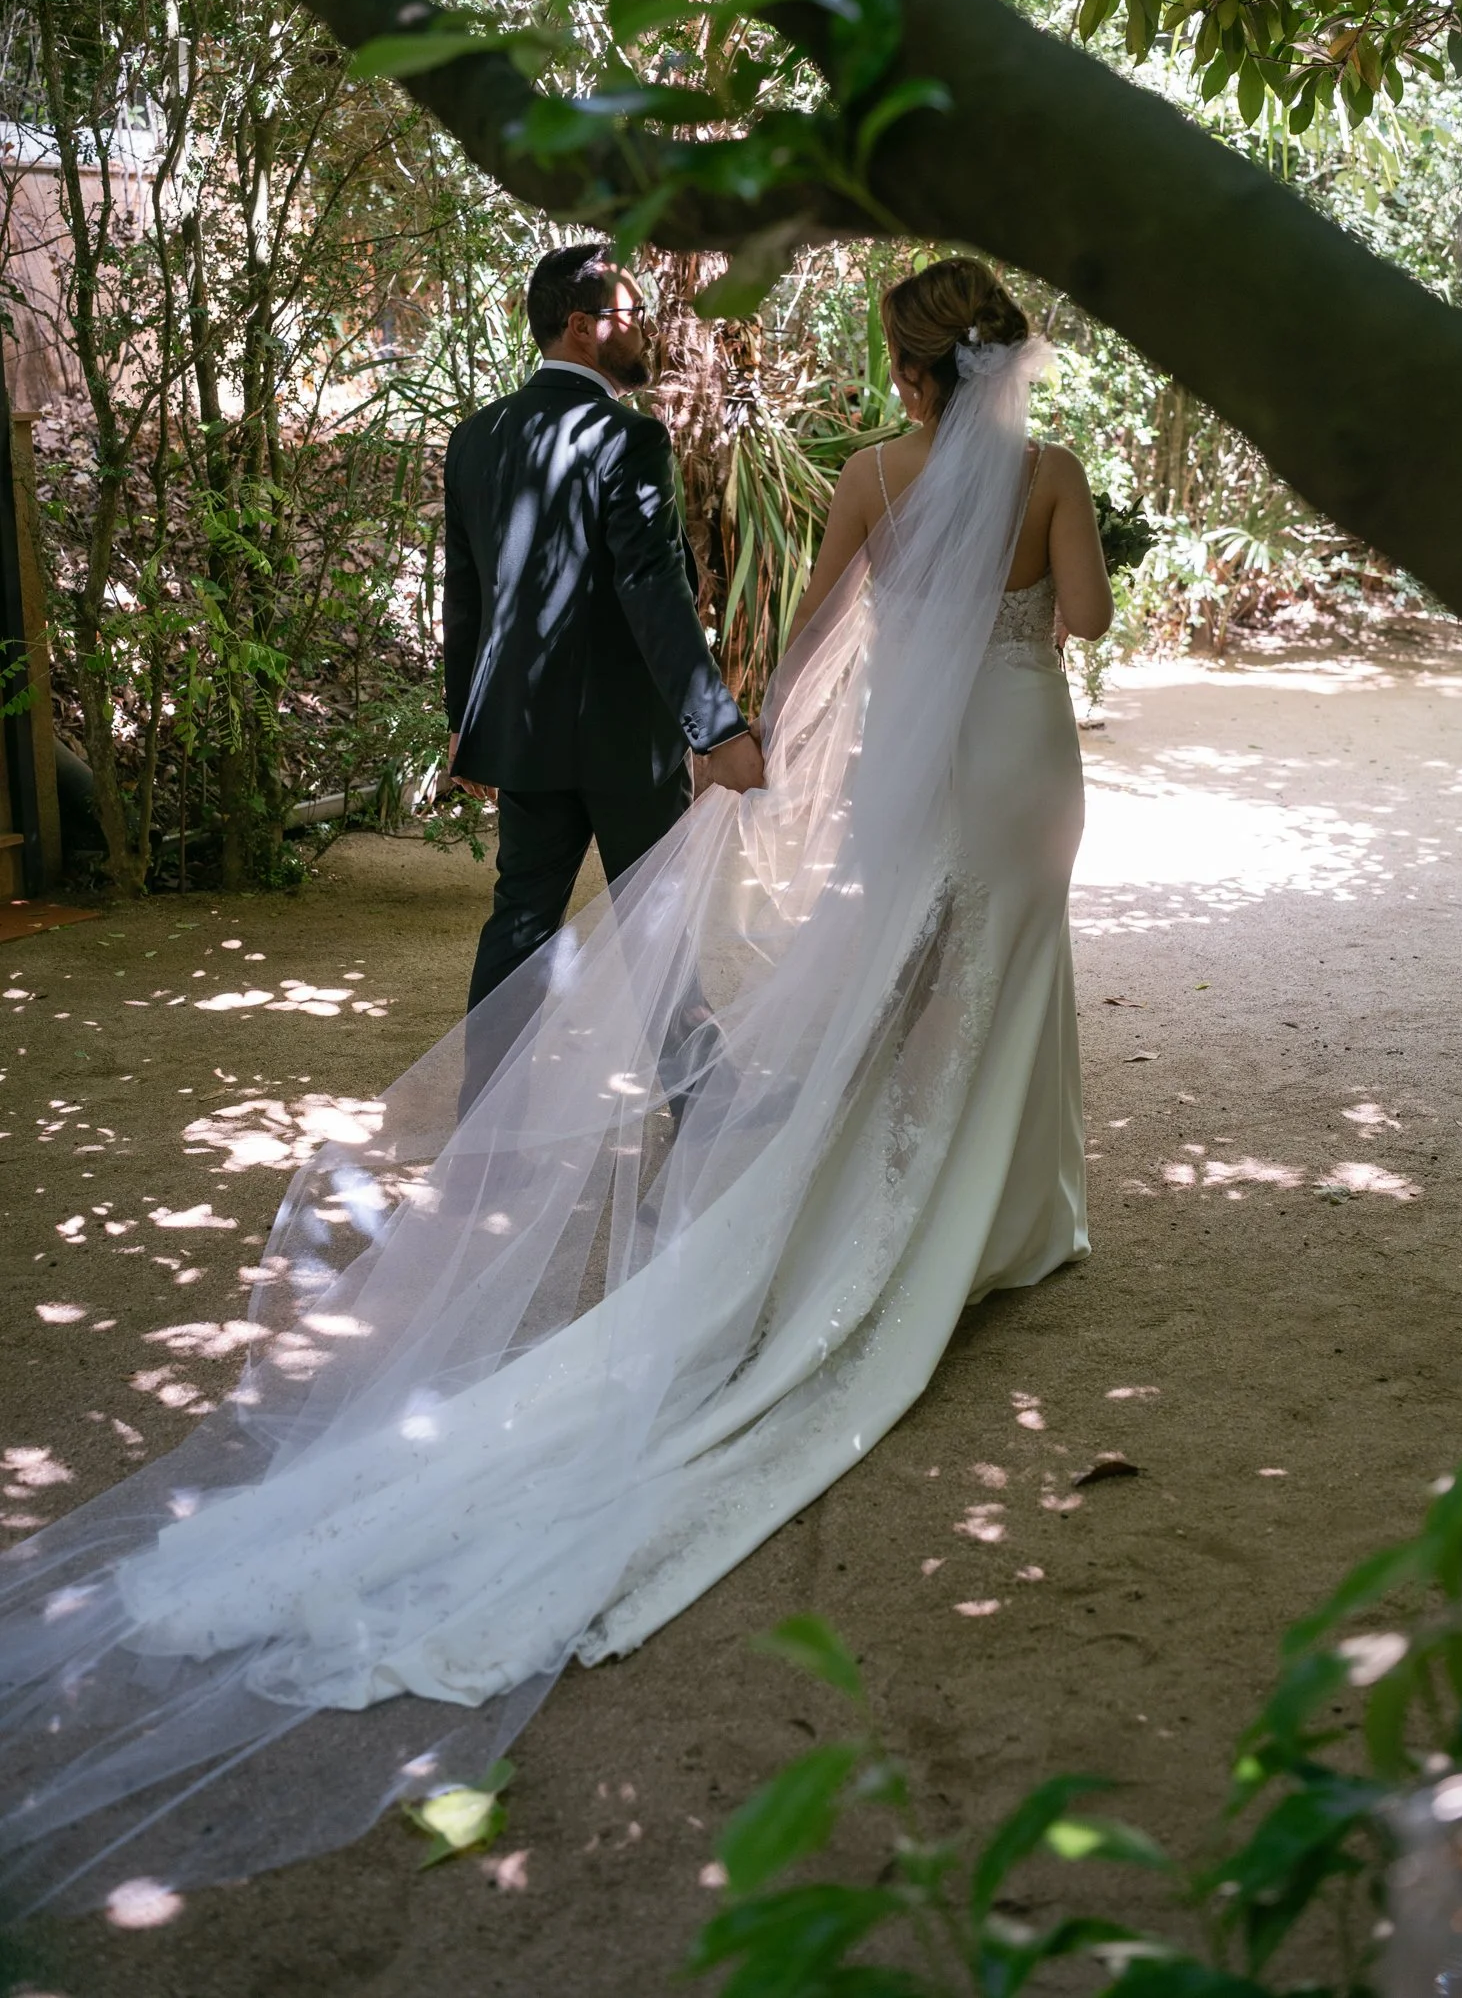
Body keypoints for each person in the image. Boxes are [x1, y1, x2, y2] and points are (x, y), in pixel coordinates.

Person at [0, 258, 1114, 1915]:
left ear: (903, 362)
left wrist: (679, 730)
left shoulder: (767, 465)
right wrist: (733, 720)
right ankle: (954, 1194)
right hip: (945, 746)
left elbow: (767, 614)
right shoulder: (1020, 477)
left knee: (639, 941)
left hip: (714, 747)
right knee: (938, 979)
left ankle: (631, 1117)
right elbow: (1047, 620)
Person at [442, 242, 765, 1015]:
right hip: (623, 740)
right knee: (657, 926)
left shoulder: (477, 437)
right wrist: (717, 731)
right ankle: (698, 1113)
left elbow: (464, 595)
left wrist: (465, 719)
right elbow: (654, 592)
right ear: (584, 326)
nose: (646, 330)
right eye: (634, 315)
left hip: (521, 732)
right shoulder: (629, 440)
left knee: (518, 923)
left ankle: (482, 1124)